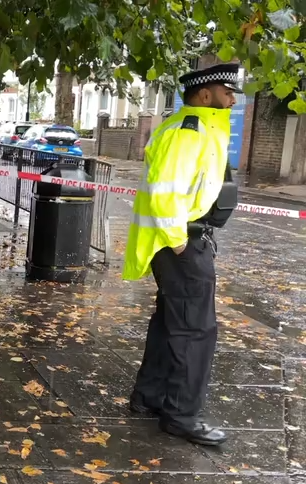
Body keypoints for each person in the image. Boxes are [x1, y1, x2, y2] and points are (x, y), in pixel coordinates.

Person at [123, 63, 240, 446]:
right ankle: (181, 414)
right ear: (205, 95)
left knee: (170, 322)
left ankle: (150, 397)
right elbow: (164, 193)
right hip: (181, 242)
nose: (233, 99)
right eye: (227, 91)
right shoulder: (189, 132)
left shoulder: (193, 129)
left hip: (179, 240)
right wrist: (180, 243)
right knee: (195, 330)